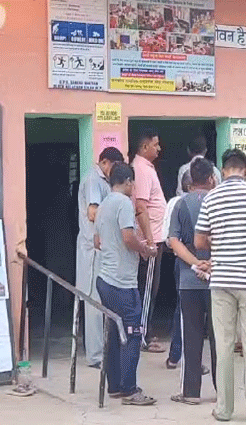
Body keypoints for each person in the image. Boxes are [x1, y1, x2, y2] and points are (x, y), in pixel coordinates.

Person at [195, 148, 246, 423]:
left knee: (224, 345)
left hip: (221, 282)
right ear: (244, 169)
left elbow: (198, 241)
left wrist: (219, 242)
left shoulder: (212, 197)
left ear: (224, 168)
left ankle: (224, 409)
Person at [94, 162, 158, 405]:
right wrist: (145, 250)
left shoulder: (102, 206)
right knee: (133, 333)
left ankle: (115, 385)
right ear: (129, 181)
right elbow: (128, 237)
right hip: (122, 281)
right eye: (133, 183)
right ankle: (130, 389)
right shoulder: (123, 204)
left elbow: (97, 241)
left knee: (113, 332)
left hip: (105, 278)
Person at [169, 157, 217, 405]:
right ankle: (223, 392)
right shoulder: (219, 202)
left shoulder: (180, 204)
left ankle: (191, 392)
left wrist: (194, 263)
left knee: (192, 335)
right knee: (220, 336)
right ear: (211, 179)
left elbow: (174, 241)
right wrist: (211, 262)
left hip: (189, 280)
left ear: (190, 180)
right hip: (218, 279)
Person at [75, 147, 124, 369]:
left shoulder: (102, 180)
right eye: (113, 167)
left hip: (102, 248)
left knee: (102, 300)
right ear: (104, 162)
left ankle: (102, 351)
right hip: (92, 249)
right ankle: (95, 356)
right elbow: (93, 212)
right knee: (94, 301)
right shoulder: (94, 180)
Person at [131, 128, 167, 353]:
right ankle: (142, 335)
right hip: (150, 240)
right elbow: (141, 206)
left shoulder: (146, 168)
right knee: (147, 289)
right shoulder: (142, 170)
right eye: (155, 144)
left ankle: (145, 330)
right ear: (145, 147)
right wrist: (150, 242)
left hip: (155, 237)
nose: (159, 148)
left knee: (150, 288)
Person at [164, 171, 191, 369]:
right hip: (190, 262)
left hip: (179, 260)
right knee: (187, 310)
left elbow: (168, 238)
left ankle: (178, 355)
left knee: (183, 308)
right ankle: (179, 356)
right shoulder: (184, 203)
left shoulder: (173, 203)